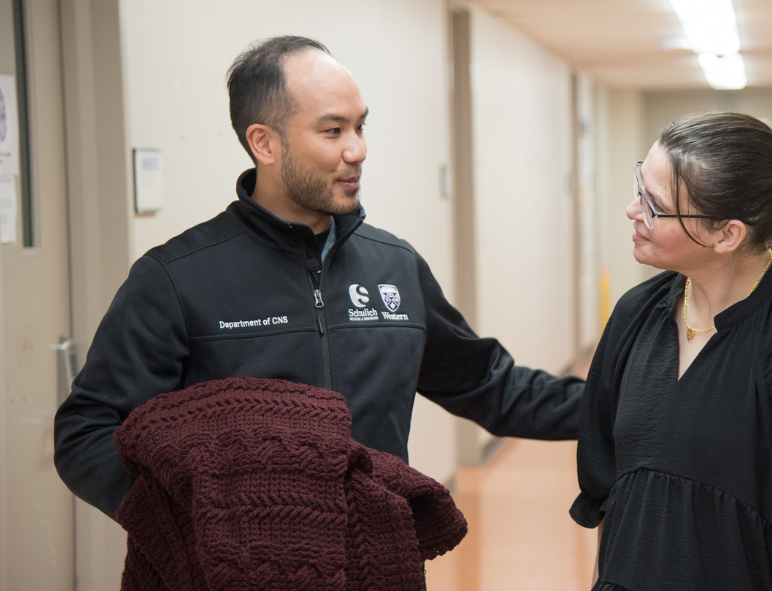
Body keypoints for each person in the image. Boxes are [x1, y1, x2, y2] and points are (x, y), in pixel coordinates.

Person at [54, 35, 583, 520]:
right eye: (333, 131)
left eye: (360, 126)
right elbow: (88, 432)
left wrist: (632, 405)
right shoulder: (175, 278)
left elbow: (490, 385)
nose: (358, 150)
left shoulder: (395, 268)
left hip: (380, 566)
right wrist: (191, 524)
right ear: (264, 143)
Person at [570, 112, 772, 591]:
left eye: (654, 205)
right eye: (639, 187)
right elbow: (610, 497)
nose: (631, 209)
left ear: (726, 234)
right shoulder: (635, 314)